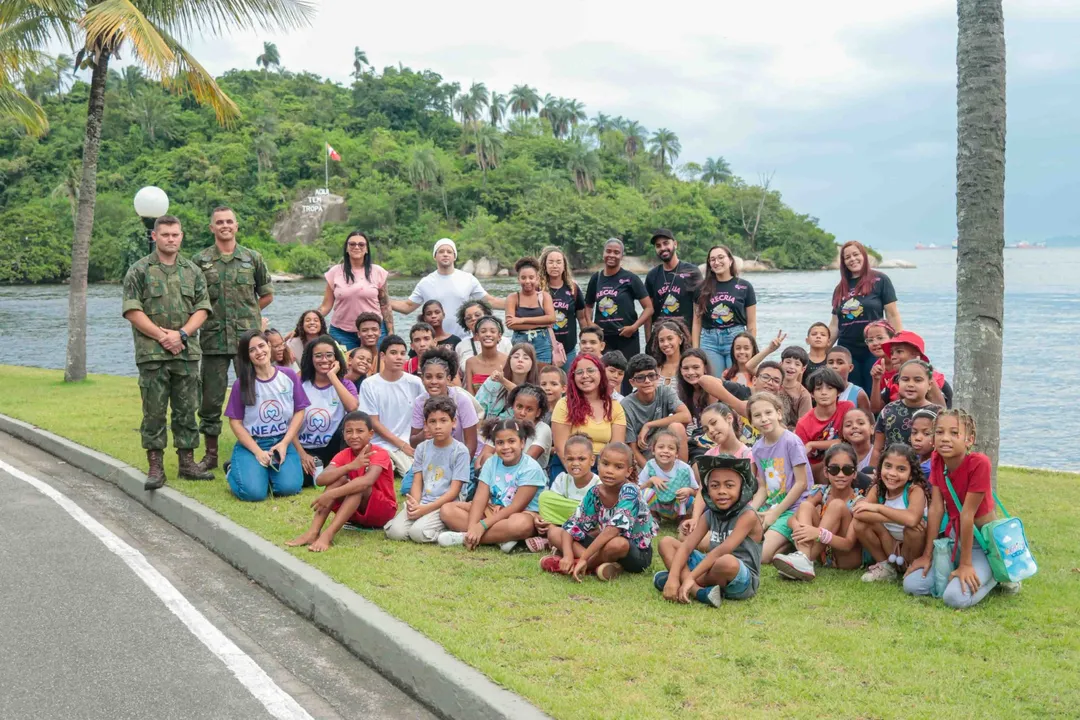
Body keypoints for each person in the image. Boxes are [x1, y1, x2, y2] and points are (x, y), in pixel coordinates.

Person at [121, 215, 214, 489]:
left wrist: (182, 334)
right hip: (153, 354)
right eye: (165, 235)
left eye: (175, 235)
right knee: (154, 412)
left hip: (185, 353)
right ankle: (155, 466)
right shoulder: (138, 271)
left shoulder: (193, 271)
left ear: (181, 236)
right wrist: (163, 336)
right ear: (155, 237)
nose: (170, 239)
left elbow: (203, 308)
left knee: (187, 409)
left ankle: (187, 463)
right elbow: (132, 310)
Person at [903, 409, 1017, 608]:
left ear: (969, 439)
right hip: (956, 538)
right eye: (939, 432)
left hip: (983, 544)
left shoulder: (979, 463)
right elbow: (937, 508)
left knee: (955, 598)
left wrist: (965, 565)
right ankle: (966, 574)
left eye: (954, 433)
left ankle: (998, 574)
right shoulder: (938, 459)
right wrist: (927, 555)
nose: (945, 439)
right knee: (912, 584)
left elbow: (967, 514)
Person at [194, 206, 273, 473]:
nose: (225, 225)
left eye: (229, 221)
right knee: (211, 399)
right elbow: (194, 299)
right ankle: (211, 454)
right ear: (212, 228)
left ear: (236, 226)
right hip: (213, 340)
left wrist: (250, 316)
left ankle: (256, 447)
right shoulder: (200, 261)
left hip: (247, 343)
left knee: (253, 394)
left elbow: (266, 294)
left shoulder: (252, 258)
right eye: (219, 222)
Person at [654, 454, 762, 607]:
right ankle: (697, 591)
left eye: (729, 485)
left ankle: (686, 583)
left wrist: (689, 577)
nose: (721, 491)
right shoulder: (710, 514)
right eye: (715, 485)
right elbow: (686, 547)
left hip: (739, 578)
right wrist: (672, 577)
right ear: (707, 490)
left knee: (726, 561)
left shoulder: (748, 515)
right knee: (666, 542)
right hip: (710, 567)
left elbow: (724, 550)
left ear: (742, 488)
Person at [542, 442, 657, 581]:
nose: (610, 470)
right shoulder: (595, 492)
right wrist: (567, 554)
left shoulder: (630, 491)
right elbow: (572, 525)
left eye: (618, 467)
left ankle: (582, 565)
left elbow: (613, 530)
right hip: (602, 547)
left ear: (629, 471)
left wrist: (584, 558)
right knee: (555, 532)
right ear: (598, 463)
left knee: (616, 543)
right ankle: (601, 566)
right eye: (605, 464)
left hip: (635, 552)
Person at [286, 411, 396, 552]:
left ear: (371, 434)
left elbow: (366, 482)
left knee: (357, 486)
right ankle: (313, 532)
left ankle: (328, 535)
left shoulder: (379, 453)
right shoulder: (344, 454)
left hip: (382, 513)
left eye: (360, 431)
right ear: (343, 434)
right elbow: (320, 480)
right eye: (349, 431)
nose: (354, 436)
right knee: (338, 480)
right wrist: (350, 466)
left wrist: (331, 495)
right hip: (354, 514)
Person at [438, 418, 547, 552]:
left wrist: (482, 526)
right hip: (494, 510)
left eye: (511, 441)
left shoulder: (531, 468)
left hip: (522, 513)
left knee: (521, 524)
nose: (506, 447)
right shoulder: (491, 462)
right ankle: (500, 538)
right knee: (447, 510)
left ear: (522, 443)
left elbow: (516, 507)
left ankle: (464, 537)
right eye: (500, 443)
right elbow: (479, 499)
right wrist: (473, 527)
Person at [223, 330, 307, 501]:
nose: (259, 352)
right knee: (253, 493)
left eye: (261, 346)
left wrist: (284, 443)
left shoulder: (288, 375)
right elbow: (235, 423)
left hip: (281, 442)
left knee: (290, 488)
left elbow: (300, 411)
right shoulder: (242, 383)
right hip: (253, 443)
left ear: (269, 346)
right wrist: (257, 451)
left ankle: (264, 474)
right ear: (247, 355)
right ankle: (234, 469)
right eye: (252, 350)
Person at [772, 443, 865, 581]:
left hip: (846, 558)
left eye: (847, 470)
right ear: (826, 472)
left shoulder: (859, 501)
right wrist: (800, 528)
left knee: (837, 505)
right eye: (834, 469)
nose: (840, 475)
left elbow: (848, 544)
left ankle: (804, 559)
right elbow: (791, 519)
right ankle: (803, 558)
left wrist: (819, 534)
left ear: (854, 473)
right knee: (805, 506)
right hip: (823, 555)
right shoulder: (820, 491)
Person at [385, 396, 470, 544]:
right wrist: (415, 504)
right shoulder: (422, 448)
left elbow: (454, 492)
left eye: (443, 420)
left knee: (417, 533)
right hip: (424, 500)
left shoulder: (460, 451)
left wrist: (426, 509)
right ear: (425, 424)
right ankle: (423, 520)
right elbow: (418, 481)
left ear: (453, 422)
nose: (438, 426)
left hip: (446, 504)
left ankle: (448, 532)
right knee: (395, 532)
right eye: (432, 421)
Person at [829, 240, 903, 395]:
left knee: (875, 390)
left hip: (875, 348)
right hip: (848, 349)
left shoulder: (880, 280)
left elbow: (892, 314)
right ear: (843, 262)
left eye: (856, 254)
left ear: (864, 256)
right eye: (847, 257)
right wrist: (822, 350)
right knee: (851, 392)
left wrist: (899, 344)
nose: (852, 259)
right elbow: (835, 325)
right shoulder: (840, 288)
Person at [392, 238, 505, 338]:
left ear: (454, 256)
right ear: (435, 256)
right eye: (441, 251)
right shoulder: (425, 282)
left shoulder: (467, 279)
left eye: (449, 252)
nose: (445, 254)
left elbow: (490, 301)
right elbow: (407, 307)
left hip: (463, 339)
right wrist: (381, 299)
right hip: (436, 340)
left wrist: (517, 303)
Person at [748, 392, 811, 564]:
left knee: (761, 555)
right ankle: (785, 542)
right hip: (772, 505)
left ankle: (787, 544)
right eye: (757, 415)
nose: (764, 419)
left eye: (768, 412)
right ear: (752, 421)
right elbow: (763, 487)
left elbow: (801, 483)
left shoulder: (792, 441)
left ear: (779, 413)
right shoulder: (757, 448)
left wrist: (775, 514)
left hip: (793, 507)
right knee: (744, 539)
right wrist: (751, 511)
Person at [854, 444, 929, 582]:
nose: (892, 473)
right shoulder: (878, 489)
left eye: (901, 469)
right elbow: (858, 513)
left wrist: (878, 508)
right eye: (888, 466)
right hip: (888, 543)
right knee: (859, 523)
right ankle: (886, 567)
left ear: (911, 474)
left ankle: (912, 568)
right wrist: (900, 518)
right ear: (880, 467)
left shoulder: (914, 491)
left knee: (914, 529)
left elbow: (912, 520)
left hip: (912, 546)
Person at [294, 336, 360, 486]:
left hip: (333, 446)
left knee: (352, 419)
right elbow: (288, 423)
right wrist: (302, 454)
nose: (324, 360)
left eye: (329, 355)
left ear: (336, 358)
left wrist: (332, 376)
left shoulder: (345, 384)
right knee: (300, 481)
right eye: (318, 356)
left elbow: (353, 408)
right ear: (311, 359)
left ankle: (339, 466)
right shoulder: (300, 384)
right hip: (303, 447)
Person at [357, 335, 426, 476]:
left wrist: (411, 443)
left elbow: (425, 413)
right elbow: (373, 422)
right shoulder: (369, 384)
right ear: (383, 356)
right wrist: (401, 445)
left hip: (411, 444)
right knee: (381, 466)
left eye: (402, 353)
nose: (399, 357)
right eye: (393, 353)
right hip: (381, 443)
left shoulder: (415, 382)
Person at [550, 354, 627, 472]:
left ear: (601, 373)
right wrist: (580, 476)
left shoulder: (615, 407)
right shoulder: (564, 404)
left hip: (603, 467)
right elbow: (561, 449)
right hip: (568, 465)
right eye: (579, 372)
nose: (585, 376)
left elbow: (615, 450)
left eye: (591, 371)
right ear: (573, 377)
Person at [318, 231, 392, 350]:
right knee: (344, 366)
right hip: (341, 332)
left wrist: (390, 332)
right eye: (352, 244)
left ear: (367, 249)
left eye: (361, 244)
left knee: (376, 366)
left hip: (373, 331)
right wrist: (305, 322)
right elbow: (325, 306)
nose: (356, 247)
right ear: (347, 248)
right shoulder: (335, 272)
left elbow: (385, 305)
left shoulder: (378, 272)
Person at [585, 238, 654, 361]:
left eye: (616, 252)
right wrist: (590, 324)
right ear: (603, 254)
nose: (612, 255)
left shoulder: (631, 278)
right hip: (603, 338)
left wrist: (634, 327)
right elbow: (588, 306)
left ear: (622, 256)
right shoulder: (596, 278)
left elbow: (649, 308)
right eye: (608, 251)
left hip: (627, 338)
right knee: (604, 374)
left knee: (628, 375)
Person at [693, 245, 757, 373]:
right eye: (712, 259)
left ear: (730, 260)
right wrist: (696, 350)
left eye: (721, 257)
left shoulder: (744, 287)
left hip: (736, 339)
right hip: (709, 341)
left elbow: (751, 323)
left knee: (737, 381)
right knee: (714, 384)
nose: (716, 262)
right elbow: (696, 322)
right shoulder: (701, 288)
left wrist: (751, 347)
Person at [530, 434, 600, 552]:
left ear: (592, 460)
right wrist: (540, 517)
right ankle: (554, 535)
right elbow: (552, 506)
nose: (575, 463)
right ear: (564, 459)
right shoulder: (562, 479)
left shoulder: (598, 484)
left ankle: (555, 541)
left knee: (588, 509)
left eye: (581, 459)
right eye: (570, 459)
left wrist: (580, 510)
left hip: (587, 526)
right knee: (545, 497)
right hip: (564, 522)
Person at [622, 354, 691, 468]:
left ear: (658, 376)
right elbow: (632, 448)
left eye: (651, 376)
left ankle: (681, 473)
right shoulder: (626, 405)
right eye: (640, 378)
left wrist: (649, 425)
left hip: (666, 447)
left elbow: (686, 416)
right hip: (645, 457)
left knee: (677, 427)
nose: (647, 381)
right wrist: (650, 472)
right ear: (632, 382)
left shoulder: (665, 391)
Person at [871, 359, 944, 467]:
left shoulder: (938, 414)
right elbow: (877, 448)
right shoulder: (888, 410)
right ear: (898, 382)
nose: (910, 384)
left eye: (918, 380)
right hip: (892, 472)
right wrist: (873, 474)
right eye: (905, 379)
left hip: (927, 472)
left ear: (929, 385)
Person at [474, 384, 553, 477]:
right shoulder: (504, 425)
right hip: (497, 477)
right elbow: (480, 460)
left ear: (538, 412)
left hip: (529, 477)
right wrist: (485, 474)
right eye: (519, 407)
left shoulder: (542, 429)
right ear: (513, 406)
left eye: (529, 409)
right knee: (487, 457)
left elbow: (528, 460)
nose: (522, 413)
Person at [794, 368, 855, 483]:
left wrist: (813, 444)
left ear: (839, 392)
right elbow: (800, 458)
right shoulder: (803, 423)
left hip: (846, 460)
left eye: (830, 388)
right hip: (816, 470)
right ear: (812, 394)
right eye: (818, 389)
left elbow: (848, 441)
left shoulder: (847, 408)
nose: (824, 392)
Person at [644, 229, 702, 337]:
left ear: (675, 244)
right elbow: (648, 312)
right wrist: (648, 342)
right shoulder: (652, 275)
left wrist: (695, 344)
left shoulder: (692, 272)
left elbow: (697, 312)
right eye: (658, 246)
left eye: (666, 243)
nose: (662, 248)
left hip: (685, 336)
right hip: (661, 338)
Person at [539, 246, 588, 370]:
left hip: (568, 350)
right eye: (550, 262)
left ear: (564, 265)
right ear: (544, 265)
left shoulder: (573, 289)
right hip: (543, 349)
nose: (555, 266)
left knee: (567, 386)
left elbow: (582, 319)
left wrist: (586, 343)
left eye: (558, 262)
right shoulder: (537, 289)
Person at [879, 331, 951, 409]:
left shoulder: (937, 379)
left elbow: (943, 410)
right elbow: (876, 409)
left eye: (899, 351)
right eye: (892, 353)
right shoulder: (893, 380)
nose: (893, 357)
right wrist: (876, 380)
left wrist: (927, 375)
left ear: (916, 355)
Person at [638, 429, 697, 523]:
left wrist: (689, 490)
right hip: (658, 505)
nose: (666, 451)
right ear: (653, 450)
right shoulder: (650, 466)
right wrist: (651, 481)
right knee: (645, 493)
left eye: (671, 448)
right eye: (661, 447)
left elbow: (697, 492)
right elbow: (638, 489)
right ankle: (653, 516)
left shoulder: (684, 469)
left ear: (677, 453)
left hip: (677, 505)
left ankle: (683, 519)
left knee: (689, 498)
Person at [505, 257, 556, 364]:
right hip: (520, 341)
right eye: (523, 278)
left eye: (531, 277)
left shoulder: (544, 296)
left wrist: (521, 320)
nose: (527, 281)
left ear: (537, 278)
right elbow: (511, 324)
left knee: (542, 375)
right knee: (521, 374)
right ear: (518, 279)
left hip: (542, 342)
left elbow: (551, 318)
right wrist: (542, 324)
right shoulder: (513, 298)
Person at [475, 343, 539, 420]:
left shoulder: (535, 390)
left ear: (533, 363)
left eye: (526, 358)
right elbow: (477, 410)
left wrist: (503, 381)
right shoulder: (493, 382)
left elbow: (524, 395)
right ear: (509, 360)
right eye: (516, 357)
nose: (520, 360)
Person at [675, 349, 718, 457]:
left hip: (716, 438)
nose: (690, 372)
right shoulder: (682, 392)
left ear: (705, 368)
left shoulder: (714, 388)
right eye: (685, 368)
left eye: (696, 367)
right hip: (697, 439)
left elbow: (713, 423)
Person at [454, 299, 512, 364]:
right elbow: (458, 372)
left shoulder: (504, 342)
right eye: (468, 318)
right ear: (464, 323)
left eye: (477, 315)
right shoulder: (461, 346)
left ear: (487, 315)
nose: (473, 319)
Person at [463, 316, 509, 394]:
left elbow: (513, 391)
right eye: (483, 331)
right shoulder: (470, 362)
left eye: (493, 331)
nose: (488, 334)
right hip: (476, 405)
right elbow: (470, 395)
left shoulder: (508, 361)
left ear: (499, 336)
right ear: (477, 336)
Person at [825, 345, 872, 413]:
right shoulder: (821, 391)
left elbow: (868, 420)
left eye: (840, 363)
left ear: (850, 368)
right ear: (826, 367)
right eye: (831, 362)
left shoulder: (858, 394)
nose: (834, 366)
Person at [647, 319, 691, 390]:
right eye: (661, 340)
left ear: (680, 339)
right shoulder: (654, 367)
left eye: (670, 339)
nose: (665, 344)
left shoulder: (689, 366)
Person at [864, 320, 898, 414]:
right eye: (870, 340)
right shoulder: (877, 367)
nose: (875, 343)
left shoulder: (902, 362)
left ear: (892, 338)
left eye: (880, 338)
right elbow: (875, 409)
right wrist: (876, 380)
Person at [840, 407, 875, 475]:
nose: (854, 426)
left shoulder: (879, 455)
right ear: (843, 433)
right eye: (848, 425)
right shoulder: (840, 456)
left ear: (872, 429)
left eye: (861, 423)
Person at [803, 322, 832, 391]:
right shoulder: (802, 360)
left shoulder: (832, 361)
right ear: (807, 340)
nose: (818, 336)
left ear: (828, 342)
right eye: (814, 334)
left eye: (823, 335)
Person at [909, 408, 938, 477]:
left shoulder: (932, 466)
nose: (917, 438)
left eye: (926, 433)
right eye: (914, 432)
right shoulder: (913, 458)